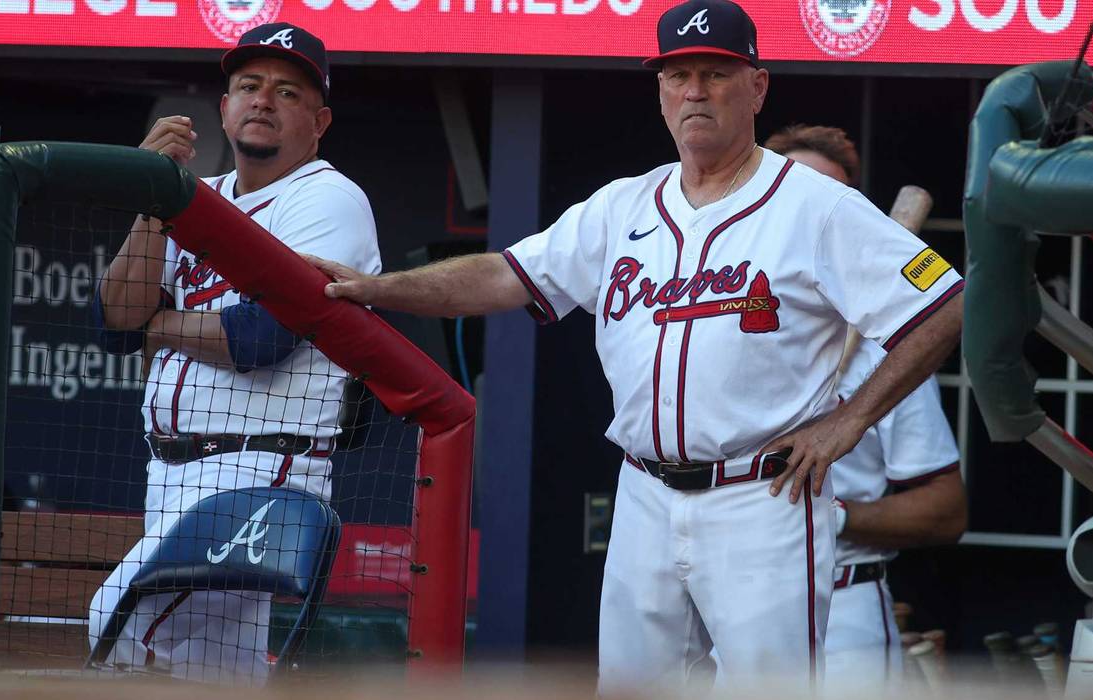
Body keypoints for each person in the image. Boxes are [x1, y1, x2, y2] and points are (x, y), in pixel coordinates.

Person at [307, 0, 963, 692]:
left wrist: (848, 421)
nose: (695, 91)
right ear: (658, 91)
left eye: (715, 73)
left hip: (759, 494)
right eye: (677, 75)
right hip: (644, 491)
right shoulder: (622, 206)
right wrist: (380, 288)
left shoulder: (816, 205)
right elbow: (505, 273)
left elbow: (944, 305)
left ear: (757, 86)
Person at [88, 22, 381, 683]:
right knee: (213, 675)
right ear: (223, 106)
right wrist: (152, 193)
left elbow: (259, 339)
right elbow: (115, 318)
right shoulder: (194, 198)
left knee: (116, 620)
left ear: (319, 119)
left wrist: (153, 326)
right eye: (248, 85)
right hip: (169, 471)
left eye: (287, 91)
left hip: (262, 468)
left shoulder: (329, 197)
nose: (263, 100)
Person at [766, 124, 968, 683]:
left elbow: (946, 511)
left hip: (842, 608)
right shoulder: (707, 333)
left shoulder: (887, 360)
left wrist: (835, 517)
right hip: (717, 597)